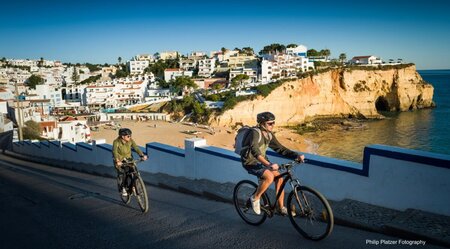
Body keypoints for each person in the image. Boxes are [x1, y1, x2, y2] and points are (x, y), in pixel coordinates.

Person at [240, 112, 305, 215]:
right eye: (270, 123)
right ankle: (255, 198)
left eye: (273, 123)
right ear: (262, 124)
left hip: (262, 162)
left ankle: (281, 207)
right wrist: (268, 164)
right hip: (250, 162)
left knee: (279, 177)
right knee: (269, 177)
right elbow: (255, 151)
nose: (272, 125)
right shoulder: (255, 133)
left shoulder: (269, 135)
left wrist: (296, 155)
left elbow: (280, 149)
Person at [112, 128, 147, 196]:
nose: (130, 137)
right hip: (120, 160)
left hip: (129, 159)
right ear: (123, 136)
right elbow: (115, 152)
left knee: (134, 170)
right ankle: (123, 188)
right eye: (128, 136)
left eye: (130, 135)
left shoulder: (130, 140)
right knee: (123, 173)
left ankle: (133, 185)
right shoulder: (116, 142)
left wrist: (142, 155)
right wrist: (117, 160)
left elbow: (136, 148)